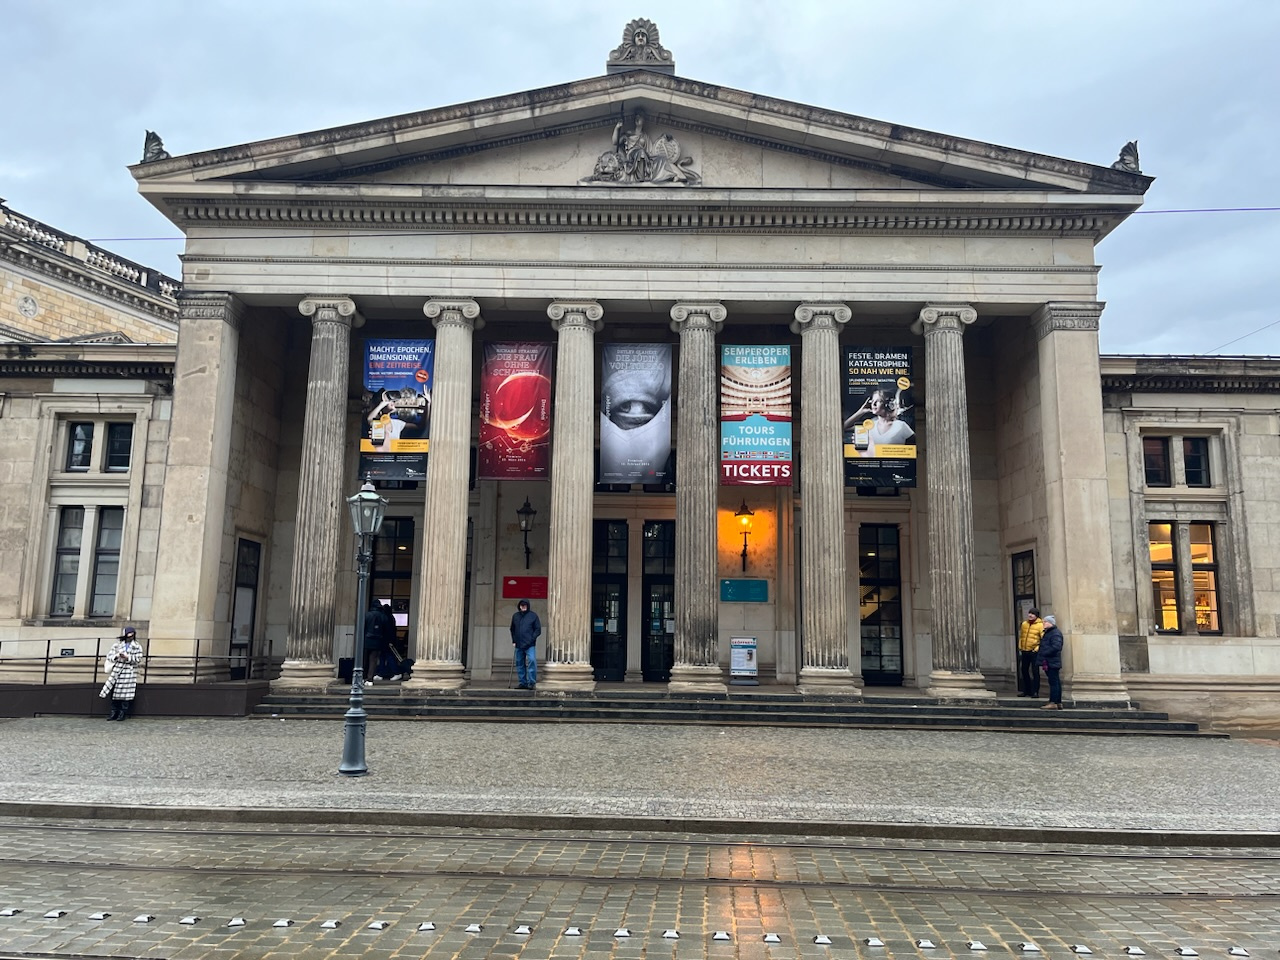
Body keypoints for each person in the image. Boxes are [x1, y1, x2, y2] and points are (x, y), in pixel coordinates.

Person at [99, 626, 143, 721]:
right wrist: (117, 656)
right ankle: (113, 712)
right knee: (114, 694)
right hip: (117, 671)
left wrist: (128, 657)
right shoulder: (117, 645)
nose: (130, 637)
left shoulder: (137, 646)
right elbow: (109, 656)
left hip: (129, 672)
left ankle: (122, 713)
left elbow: (139, 659)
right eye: (129, 635)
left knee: (126, 695)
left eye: (132, 635)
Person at [510, 599, 542, 690]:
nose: (523, 607)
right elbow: (512, 629)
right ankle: (522, 682)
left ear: (527, 606)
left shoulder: (533, 616)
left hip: (530, 644)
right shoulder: (515, 616)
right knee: (519, 663)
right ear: (519, 606)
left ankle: (531, 682)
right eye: (522, 605)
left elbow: (538, 629)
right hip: (519, 644)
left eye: (525, 605)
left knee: (532, 661)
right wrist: (514, 640)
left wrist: (532, 639)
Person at [1038, 614, 1065, 710]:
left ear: (1051, 623)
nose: (1043, 623)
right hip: (1051, 660)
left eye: (1045, 622)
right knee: (1055, 681)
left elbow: (1056, 647)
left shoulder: (1055, 633)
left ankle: (1053, 702)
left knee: (1054, 682)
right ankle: (1057, 702)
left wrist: (1044, 653)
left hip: (1052, 660)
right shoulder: (1050, 632)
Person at [1017, 608, 1044, 697]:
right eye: (1029, 613)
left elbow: (1042, 638)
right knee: (1024, 670)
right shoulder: (1024, 624)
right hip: (1025, 650)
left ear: (1036, 616)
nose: (1030, 615)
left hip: (1034, 651)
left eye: (1032, 614)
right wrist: (1020, 647)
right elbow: (1022, 636)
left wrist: (1037, 649)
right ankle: (1027, 690)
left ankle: (1035, 691)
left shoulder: (1040, 625)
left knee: (1035, 671)